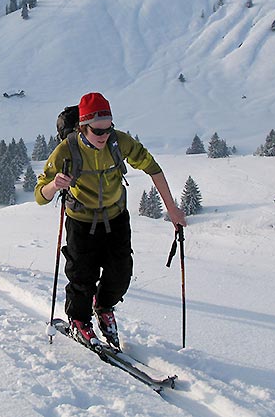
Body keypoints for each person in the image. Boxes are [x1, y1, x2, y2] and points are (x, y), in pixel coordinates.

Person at [35, 92, 186, 348]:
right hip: (81, 222)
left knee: (121, 273)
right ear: (83, 127)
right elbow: (40, 195)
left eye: (108, 129)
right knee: (82, 277)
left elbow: (153, 168)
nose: (104, 136)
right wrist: (53, 186)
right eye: (98, 131)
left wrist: (172, 210)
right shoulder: (66, 150)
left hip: (116, 218)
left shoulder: (119, 142)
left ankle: (103, 307)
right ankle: (79, 320)